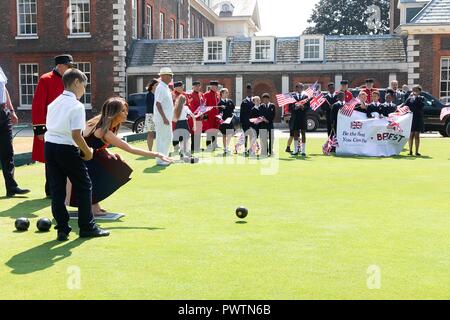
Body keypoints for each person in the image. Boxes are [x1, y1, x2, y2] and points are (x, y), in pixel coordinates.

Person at [68, 97, 172, 215]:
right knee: (115, 168)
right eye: (123, 111)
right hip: (85, 161)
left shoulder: (100, 122)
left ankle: (94, 205)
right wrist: (156, 154)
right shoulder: (104, 131)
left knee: (115, 163)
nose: (126, 113)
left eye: (125, 110)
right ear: (114, 113)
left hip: (89, 158)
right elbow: (130, 148)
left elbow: (92, 143)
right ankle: (93, 207)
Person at [44, 68, 109, 241]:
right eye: (84, 85)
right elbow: (75, 135)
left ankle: (62, 229)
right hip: (66, 148)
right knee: (84, 185)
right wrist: (87, 152)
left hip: (49, 147)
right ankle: (87, 227)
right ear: (76, 83)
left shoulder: (53, 103)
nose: (84, 89)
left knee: (57, 189)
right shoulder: (77, 106)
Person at [32, 54, 74, 197]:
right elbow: (38, 105)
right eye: (68, 66)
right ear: (60, 66)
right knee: (51, 160)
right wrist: (39, 129)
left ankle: (62, 190)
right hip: (50, 127)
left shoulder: (70, 80)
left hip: (66, 126)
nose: (70, 69)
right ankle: (51, 190)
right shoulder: (45, 79)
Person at [0, 66, 30, 197]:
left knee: (8, 152)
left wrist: (11, 110)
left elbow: (4, 89)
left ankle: (11, 187)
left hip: (2, 113)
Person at [154, 67, 175, 166]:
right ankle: (160, 160)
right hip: (163, 119)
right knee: (162, 138)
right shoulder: (161, 87)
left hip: (167, 119)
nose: (171, 77)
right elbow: (158, 104)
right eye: (170, 75)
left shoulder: (166, 87)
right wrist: (164, 118)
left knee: (167, 138)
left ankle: (164, 157)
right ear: (163, 76)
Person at [173, 95, 196, 160]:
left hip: (178, 124)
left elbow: (174, 119)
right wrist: (194, 125)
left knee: (181, 140)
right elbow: (193, 116)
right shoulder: (186, 107)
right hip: (184, 124)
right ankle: (187, 153)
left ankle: (182, 153)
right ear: (184, 101)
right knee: (186, 139)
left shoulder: (175, 108)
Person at [404, 85, 425, 156]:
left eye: (416, 90)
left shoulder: (421, 98)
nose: (414, 91)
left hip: (418, 118)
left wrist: (416, 97)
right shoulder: (410, 98)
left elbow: (421, 105)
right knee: (411, 135)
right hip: (411, 119)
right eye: (413, 90)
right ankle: (410, 151)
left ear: (419, 91)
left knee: (417, 135)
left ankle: (417, 151)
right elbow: (405, 105)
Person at [203, 81, 221, 151]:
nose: (215, 88)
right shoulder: (206, 94)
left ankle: (214, 144)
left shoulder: (218, 94)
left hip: (216, 115)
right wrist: (205, 116)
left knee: (215, 130)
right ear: (211, 87)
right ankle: (208, 145)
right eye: (214, 86)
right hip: (209, 115)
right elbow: (203, 106)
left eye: (216, 86)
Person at [187, 81, 204, 153]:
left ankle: (197, 147)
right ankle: (193, 147)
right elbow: (191, 106)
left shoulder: (201, 95)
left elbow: (203, 104)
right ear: (193, 87)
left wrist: (202, 112)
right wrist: (197, 112)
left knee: (198, 132)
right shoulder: (190, 95)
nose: (197, 87)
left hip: (200, 116)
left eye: (198, 86)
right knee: (194, 132)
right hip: (193, 117)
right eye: (196, 86)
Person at [217, 88, 235, 156]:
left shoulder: (230, 101)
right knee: (224, 134)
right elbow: (219, 112)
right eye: (225, 92)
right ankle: (225, 148)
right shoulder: (219, 103)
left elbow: (232, 109)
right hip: (223, 121)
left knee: (230, 133)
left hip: (230, 120)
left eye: (227, 92)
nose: (227, 94)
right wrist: (221, 107)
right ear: (221, 94)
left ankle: (227, 146)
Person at [145, 79, 159, 151]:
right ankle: (150, 150)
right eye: (156, 85)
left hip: (158, 115)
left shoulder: (159, 94)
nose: (158, 86)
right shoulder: (149, 95)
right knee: (151, 134)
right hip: (150, 115)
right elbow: (151, 106)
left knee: (160, 133)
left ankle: (160, 149)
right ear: (152, 86)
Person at [239, 84, 254, 155]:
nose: (249, 93)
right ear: (246, 92)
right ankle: (245, 149)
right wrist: (241, 123)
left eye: (250, 91)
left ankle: (251, 149)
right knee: (245, 137)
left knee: (252, 136)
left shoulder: (254, 101)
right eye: (248, 92)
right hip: (245, 123)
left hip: (252, 123)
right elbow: (241, 113)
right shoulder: (243, 102)